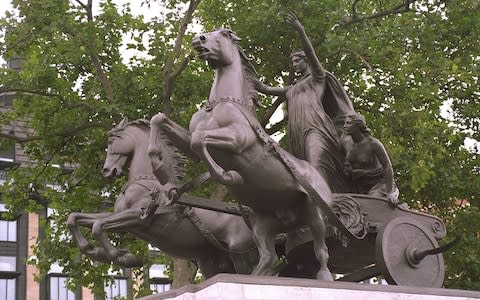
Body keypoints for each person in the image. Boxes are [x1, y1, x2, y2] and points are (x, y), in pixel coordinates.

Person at [256, 12, 355, 192]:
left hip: (315, 127)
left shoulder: (317, 78)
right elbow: (264, 88)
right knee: (302, 171)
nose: (293, 64)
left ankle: (325, 206)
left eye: (296, 60)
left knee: (317, 163)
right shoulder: (291, 88)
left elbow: (312, 54)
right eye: (292, 61)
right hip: (296, 132)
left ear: (306, 61)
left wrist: (301, 31)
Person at [340, 113, 399, 205]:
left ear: (358, 126)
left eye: (349, 123)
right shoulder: (345, 141)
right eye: (345, 123)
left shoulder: (373, 144)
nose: (345, 126)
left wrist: (390, 192)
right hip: (358, 183)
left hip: (378, 183)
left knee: (371, 202)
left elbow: (387, 166)